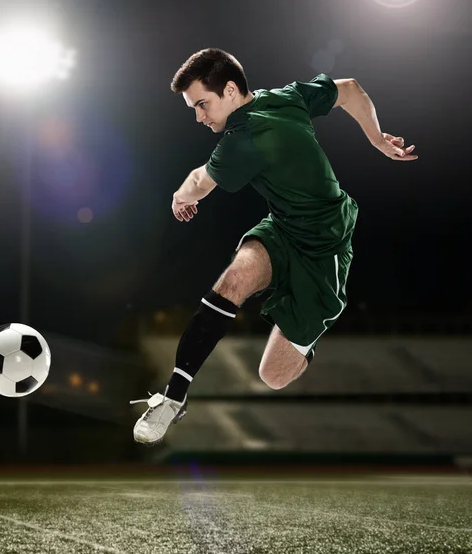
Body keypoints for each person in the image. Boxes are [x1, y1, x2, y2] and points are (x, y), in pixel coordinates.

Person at [130, 48, 417, 446]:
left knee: (273, 375)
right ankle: (173, 397)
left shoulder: (246, 137)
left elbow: (200, 181)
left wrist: (180, 197)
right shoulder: (284, 97)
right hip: (282, 229)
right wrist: (378, 141)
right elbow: (350, 89)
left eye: (201, 104)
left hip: (325, 249)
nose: (198, 116)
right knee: (232, 280)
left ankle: (305, 343)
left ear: (230, 90)